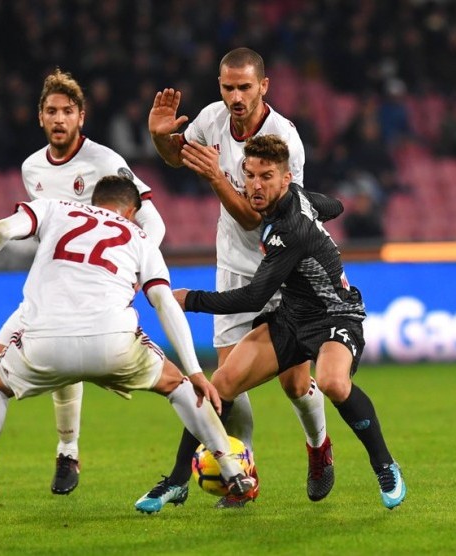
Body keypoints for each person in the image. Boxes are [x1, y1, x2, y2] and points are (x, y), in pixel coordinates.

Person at [0, 176, 256, 537]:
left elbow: (2, 230)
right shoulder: (140, 237)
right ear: (132, 211)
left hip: (45, 340)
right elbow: (162, 302)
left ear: (94, 200)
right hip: (112, 342)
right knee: (178, 386)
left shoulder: (54, 207)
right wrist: (194, 372)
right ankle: (234, 473)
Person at [0, 68, 166, 500]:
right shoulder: (32, 168)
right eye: (51, 111)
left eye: (68, 111)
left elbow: (151, 220)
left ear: (82, 116)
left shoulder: (105, 161)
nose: (59, 119)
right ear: (40, 117)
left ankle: (66, 452)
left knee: (53, 366)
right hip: (50, 287)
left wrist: (135, 267)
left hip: (96, 291)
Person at [137, 47, 333, 511]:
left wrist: (217, 180)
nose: (236, 97)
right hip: (232, 269)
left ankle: (319, 446)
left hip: (284, 275)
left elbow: (256, 219)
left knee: (293, 385)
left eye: (245, 87)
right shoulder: (211, 119)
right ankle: (241, 474)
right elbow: (175, 158)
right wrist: (162, 137)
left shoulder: (284, 139)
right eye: (228, 87)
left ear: (264, 86)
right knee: (227, 384)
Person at [172, 135, 406, 509]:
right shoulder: (295, 197)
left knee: (331, 381)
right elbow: (337, 205)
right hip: (292, 317)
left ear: (285, 179)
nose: (256, 185)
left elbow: (252, 298)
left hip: (334, 315)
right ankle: (176, 480)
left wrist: (189, 299)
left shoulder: (288, 230)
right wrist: (316, 217)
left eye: (266, 176)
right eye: (250, 175)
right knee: (224, 382)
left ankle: (385, 465)